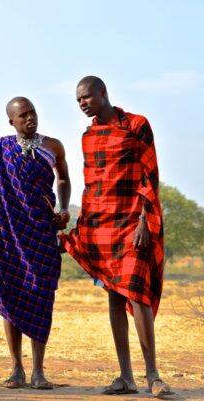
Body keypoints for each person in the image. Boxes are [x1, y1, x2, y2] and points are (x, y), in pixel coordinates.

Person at [63, 76, 171, 397]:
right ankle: (126, 377)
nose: (82, 103)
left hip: (132, 223)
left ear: (103, 93)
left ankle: (152, 374)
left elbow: (150, 175)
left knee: (137, 294)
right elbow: (92, 186)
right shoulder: (89, 136)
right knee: (114, 295)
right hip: (100, 226)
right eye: (78, 100)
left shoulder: (137, 125)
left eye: (86, 97)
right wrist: (83, 227)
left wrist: (144, 221)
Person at [0, 97, 71, 390]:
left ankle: (38, 371)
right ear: (12, 121)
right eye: (22, 115)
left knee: (41, 297)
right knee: (9, 293)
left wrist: (64, 207)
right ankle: (16, 369)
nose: (29, 119)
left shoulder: (53, 146)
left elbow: (64, 179)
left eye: (32, 112)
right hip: (7, 233)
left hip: (40, 232)